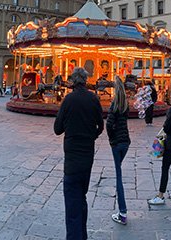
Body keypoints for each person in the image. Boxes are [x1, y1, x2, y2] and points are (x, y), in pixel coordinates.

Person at [53, 68, 103, 240]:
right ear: (86, 79)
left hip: (72, 159)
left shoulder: (68, 100)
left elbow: (57, 129)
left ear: (73, 81)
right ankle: (82, 235)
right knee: (81, 198)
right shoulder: (94, 98)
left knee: (72, 203)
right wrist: (91, 136)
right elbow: (101, 126)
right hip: (88, 157)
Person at [106, 77, 131, 225]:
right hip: (126, 142)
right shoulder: (125, 104)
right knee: (118, 171)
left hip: (117, 143)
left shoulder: (114, 104)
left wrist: (111, 139)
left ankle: (122, 212)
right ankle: (121, 210)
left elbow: (109, 125)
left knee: (118, 177)